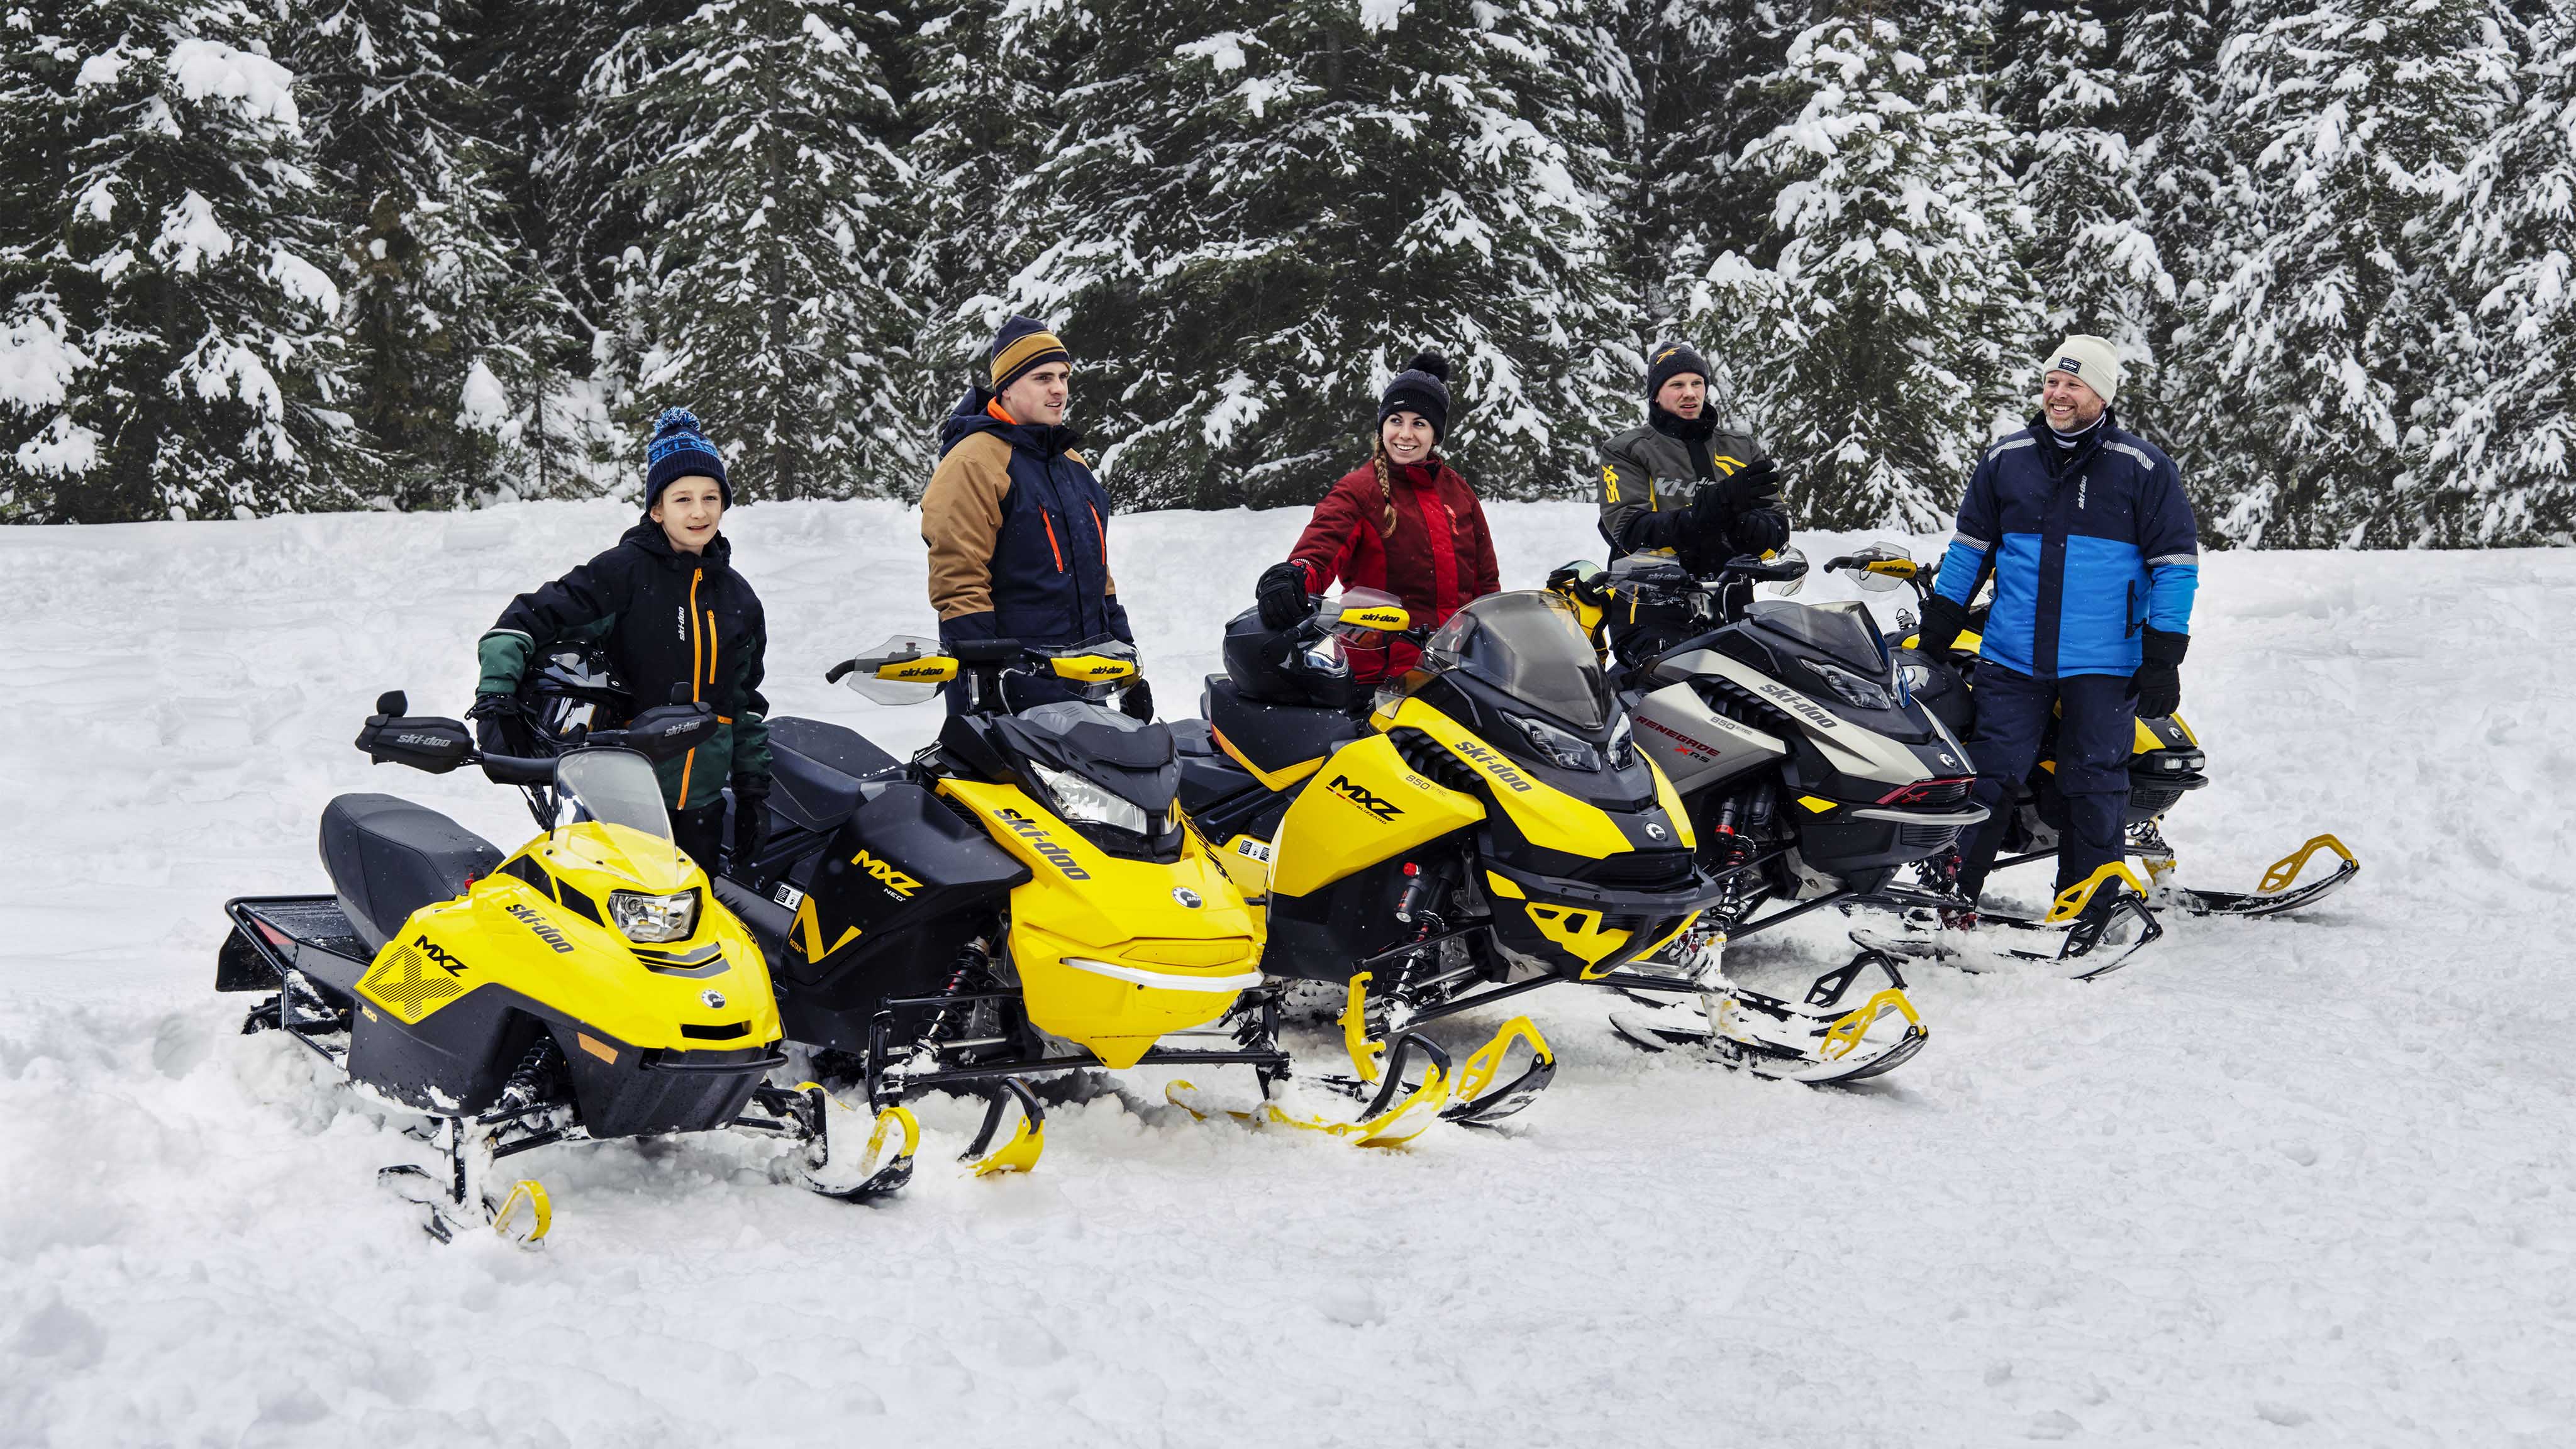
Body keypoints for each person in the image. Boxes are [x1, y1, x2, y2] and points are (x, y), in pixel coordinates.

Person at [1916, 335, 2198, 924]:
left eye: (2073, 385)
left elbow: (2175, 566)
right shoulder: (2006, 459)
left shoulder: (2143, 467)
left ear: (2102, 394)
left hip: (2105, 661)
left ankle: (2086, 910)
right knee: (1986, 776)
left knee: (2093, 785)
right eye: (2051, 382)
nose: (2058, 395)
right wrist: (1940, 620)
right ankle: (1949, 899)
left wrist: (2163, 653)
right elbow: (1970, 549)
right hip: (2013, 655)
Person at [469, 408, 772, 877]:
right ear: (657, 508)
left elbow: (743, 703)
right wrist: (496, 695)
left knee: (691, 927)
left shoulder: (738, 599)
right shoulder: (622, 573)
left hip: (701, 806)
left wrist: (752, 791)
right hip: (620, 797)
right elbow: (523, 622)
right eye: (683, 498)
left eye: (711, 497)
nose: (699, 512)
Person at [920, 315, 1146, 717]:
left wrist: (1130, 672)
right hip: (1012, 684)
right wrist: (985, 676)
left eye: (1063, 376)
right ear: (1006, 387)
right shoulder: (975, 461)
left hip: (1082, 683)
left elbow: (1098, 577)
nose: (1059, 389)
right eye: (1043, 378)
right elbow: (959, 577)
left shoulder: (1073, 464)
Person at [1251, 352, 1501, 682]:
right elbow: (1321, 549)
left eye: (1419, 424)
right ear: (1383, 425)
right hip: (1382, 679)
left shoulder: (1459, 494)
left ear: (1436, 435)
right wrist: (1292, 577)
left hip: (1458, 672)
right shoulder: (1359, 490)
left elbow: (1486, 586)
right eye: (1396, 420)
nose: (1406, 434)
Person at [1592, 343, 1791, 665]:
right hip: (1650, 602)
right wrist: (1711, 509)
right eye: (1677, 385)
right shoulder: (1627, 450)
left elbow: (1777, 531)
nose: (1690, 393)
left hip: (1732, 598)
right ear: (1656, 394)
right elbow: (1629, 531)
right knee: (1675, 691)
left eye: (1697, 383)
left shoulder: (1740, 448)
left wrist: (1740, 524)